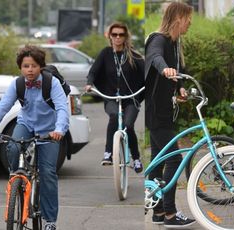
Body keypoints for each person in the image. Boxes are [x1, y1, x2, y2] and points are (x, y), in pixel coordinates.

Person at [0, 45, 69, 230]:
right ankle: (17, 178)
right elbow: (3, 106)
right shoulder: (17, 84)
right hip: (26, 124)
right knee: (12, 145)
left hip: (49, 130)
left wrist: (59, 130)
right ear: (21, 67)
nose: (30, 70)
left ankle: (50, 220)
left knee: (48, 173)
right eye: (26, 66)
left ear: (40, 66)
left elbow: (61, 109)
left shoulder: (52, 83)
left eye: (34, 66)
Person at [145, 2, 196, 228]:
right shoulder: (159, 39)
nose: (190, 23)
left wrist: (179, 89)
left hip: (163, 112)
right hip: (155, 112)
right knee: (174, 158)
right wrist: (164, 68)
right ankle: (169, 213)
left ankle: (157, 211)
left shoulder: (175, 44)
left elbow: (175, 76)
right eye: (188, 18)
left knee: (158, 162)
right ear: (178, 19)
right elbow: (155, 56)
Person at [85, 22, 144, 173]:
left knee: (128, 126)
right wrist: (89, 83)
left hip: (131, 98)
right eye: (114, 34)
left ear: (125, 37)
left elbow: (146, 73)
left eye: (121, 35)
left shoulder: (133, 55)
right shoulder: (105, 53)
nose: (117, 37)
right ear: (110, 36)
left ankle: (136, 158)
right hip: (111, 97)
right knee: (113, 116)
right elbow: (93, 72)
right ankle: (108, 153)